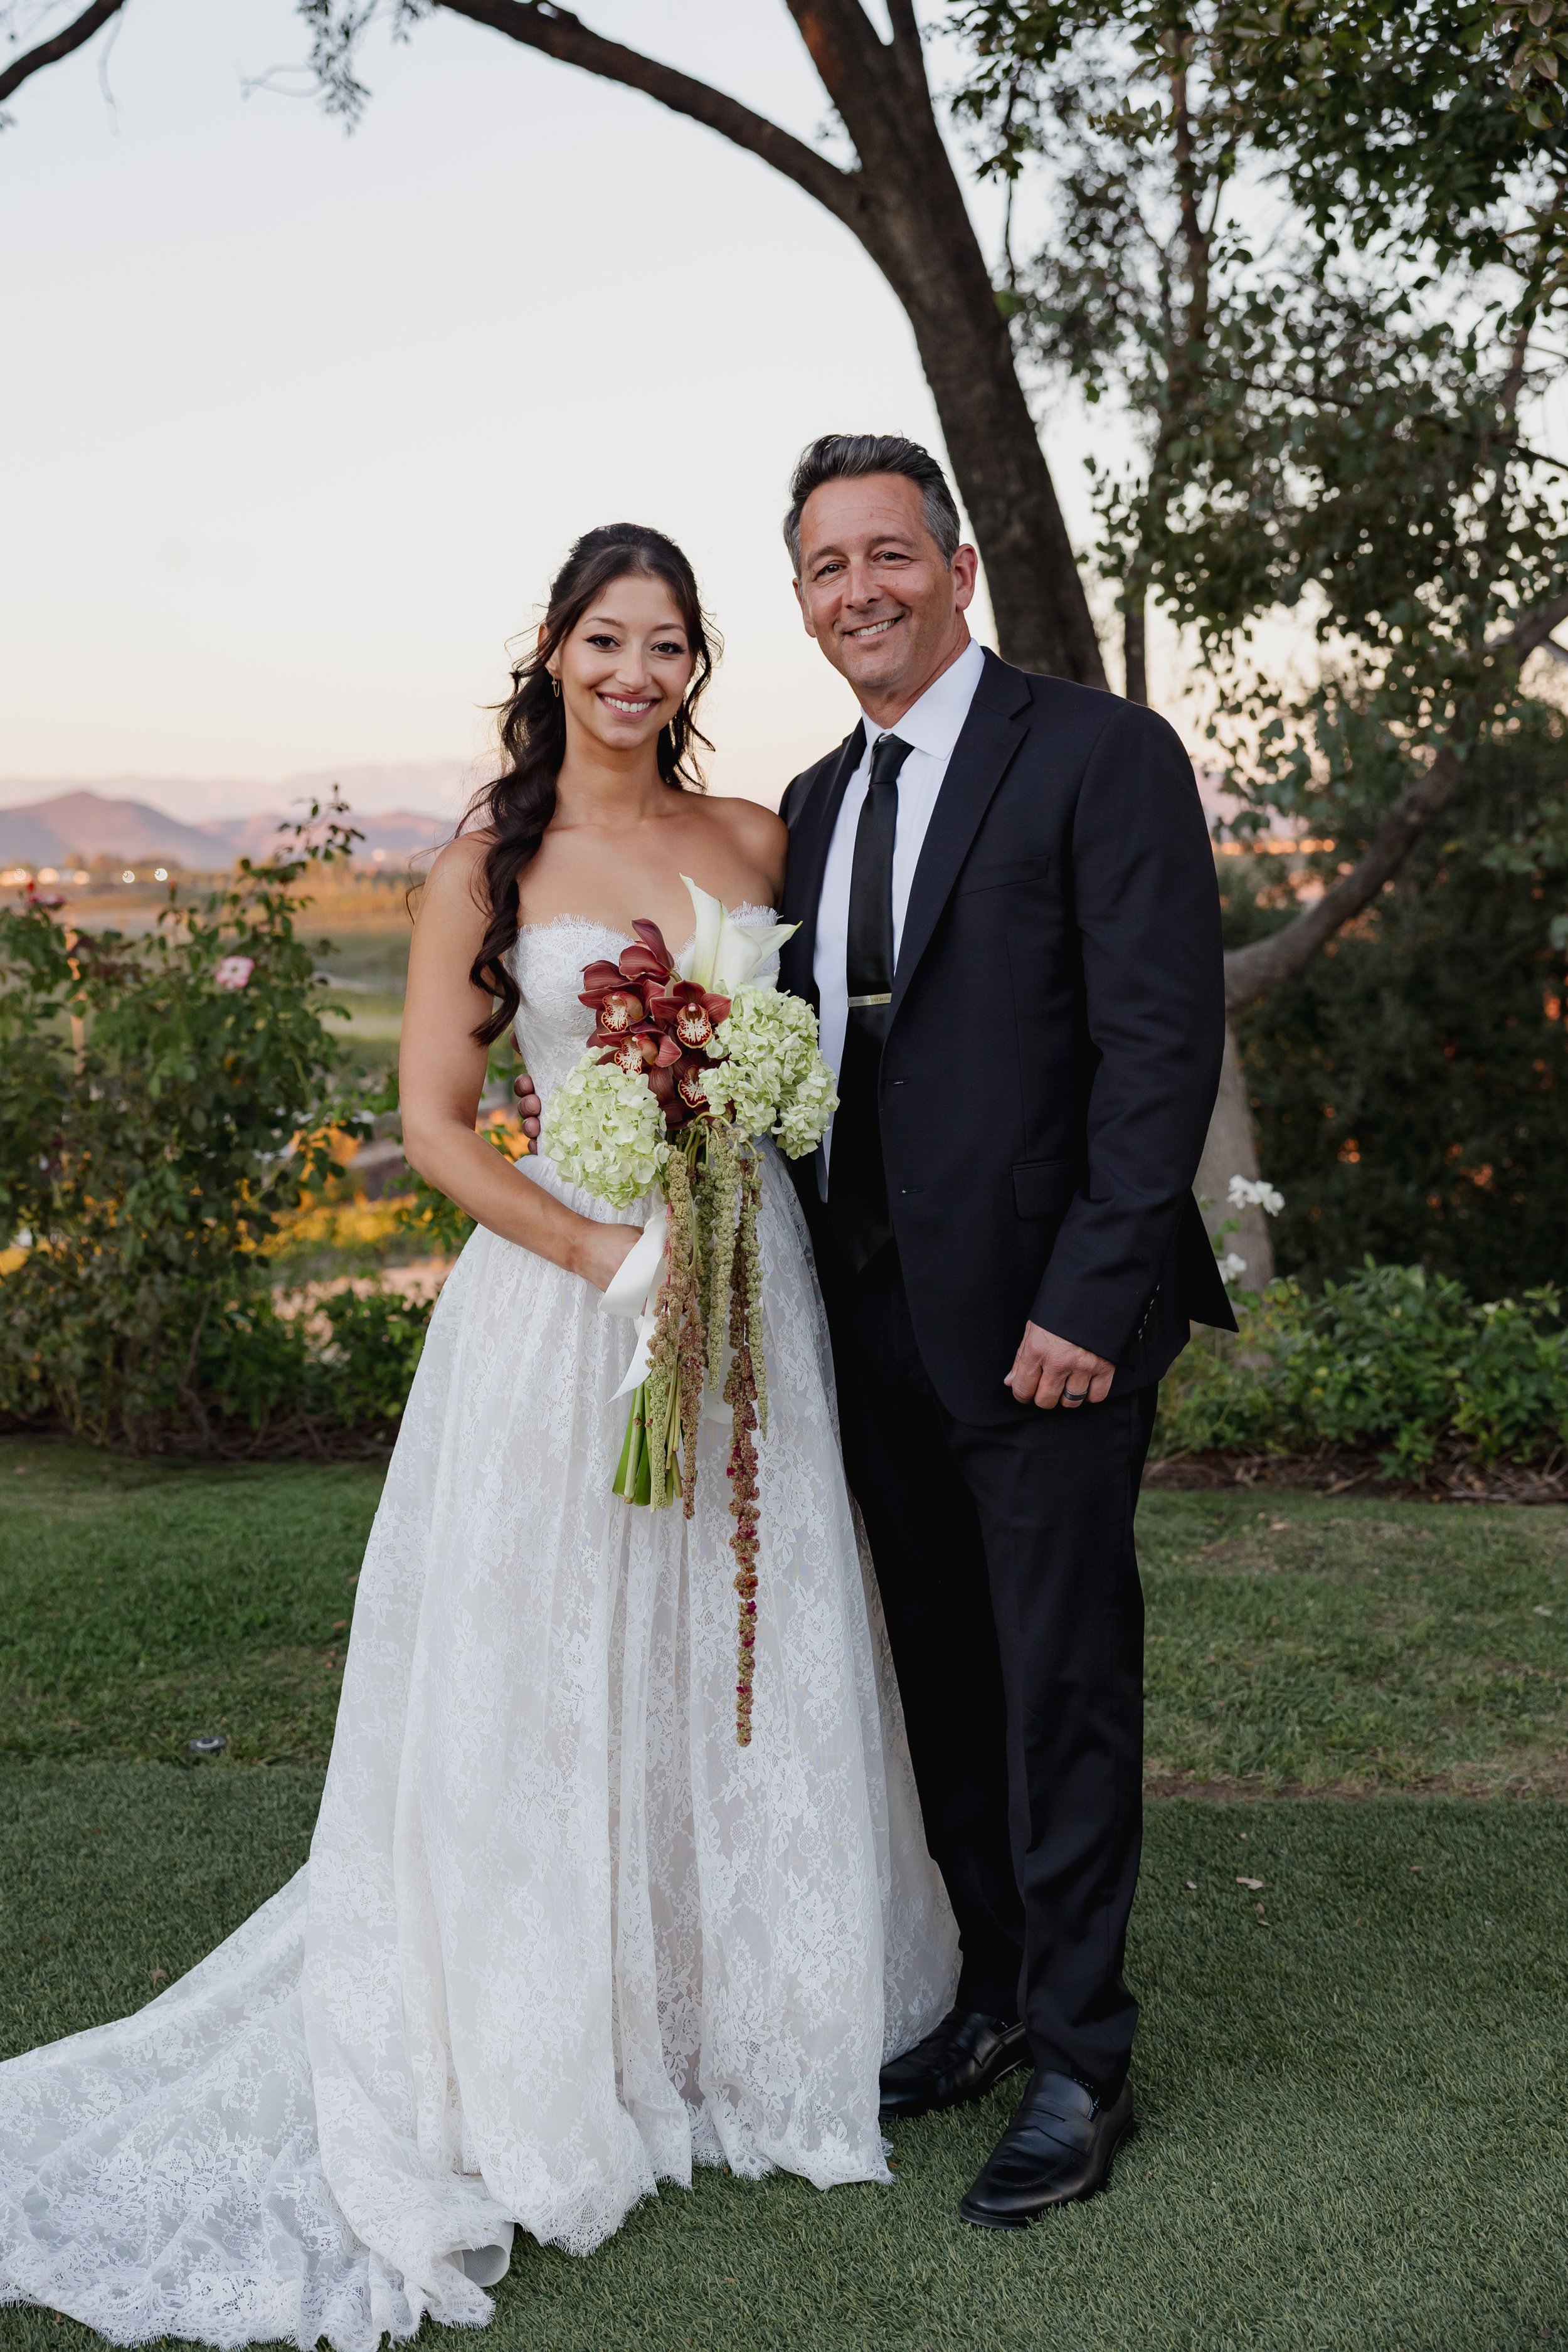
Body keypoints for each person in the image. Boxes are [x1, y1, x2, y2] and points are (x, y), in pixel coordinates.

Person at [0, 523, 956, 2351]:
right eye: (605, 640)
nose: (633, 674)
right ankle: (546, 2022)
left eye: (665, 645)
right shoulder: (484, 863)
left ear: (696, 667)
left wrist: (736, 1176)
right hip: (566, 1296)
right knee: (550, 1651)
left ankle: (732, 2009)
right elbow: (440, 1125)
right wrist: (609, 1258)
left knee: (735, 1623)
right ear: (555, 650)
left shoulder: (757, 838)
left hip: (752, 1284)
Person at [776, 434, 1233, 2227]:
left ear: (956, 572)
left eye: (890, 553)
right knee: (945, 1677)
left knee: (1059, 1684)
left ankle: (1082, 2055)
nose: (861, 590)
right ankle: (992, 1994)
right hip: (866, 1313)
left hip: (1049, 1327)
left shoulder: (1100, 754)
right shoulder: (813, 800)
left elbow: (1157, 1046)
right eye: (827, 565)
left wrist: (1090, 1297)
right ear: (802, 599)